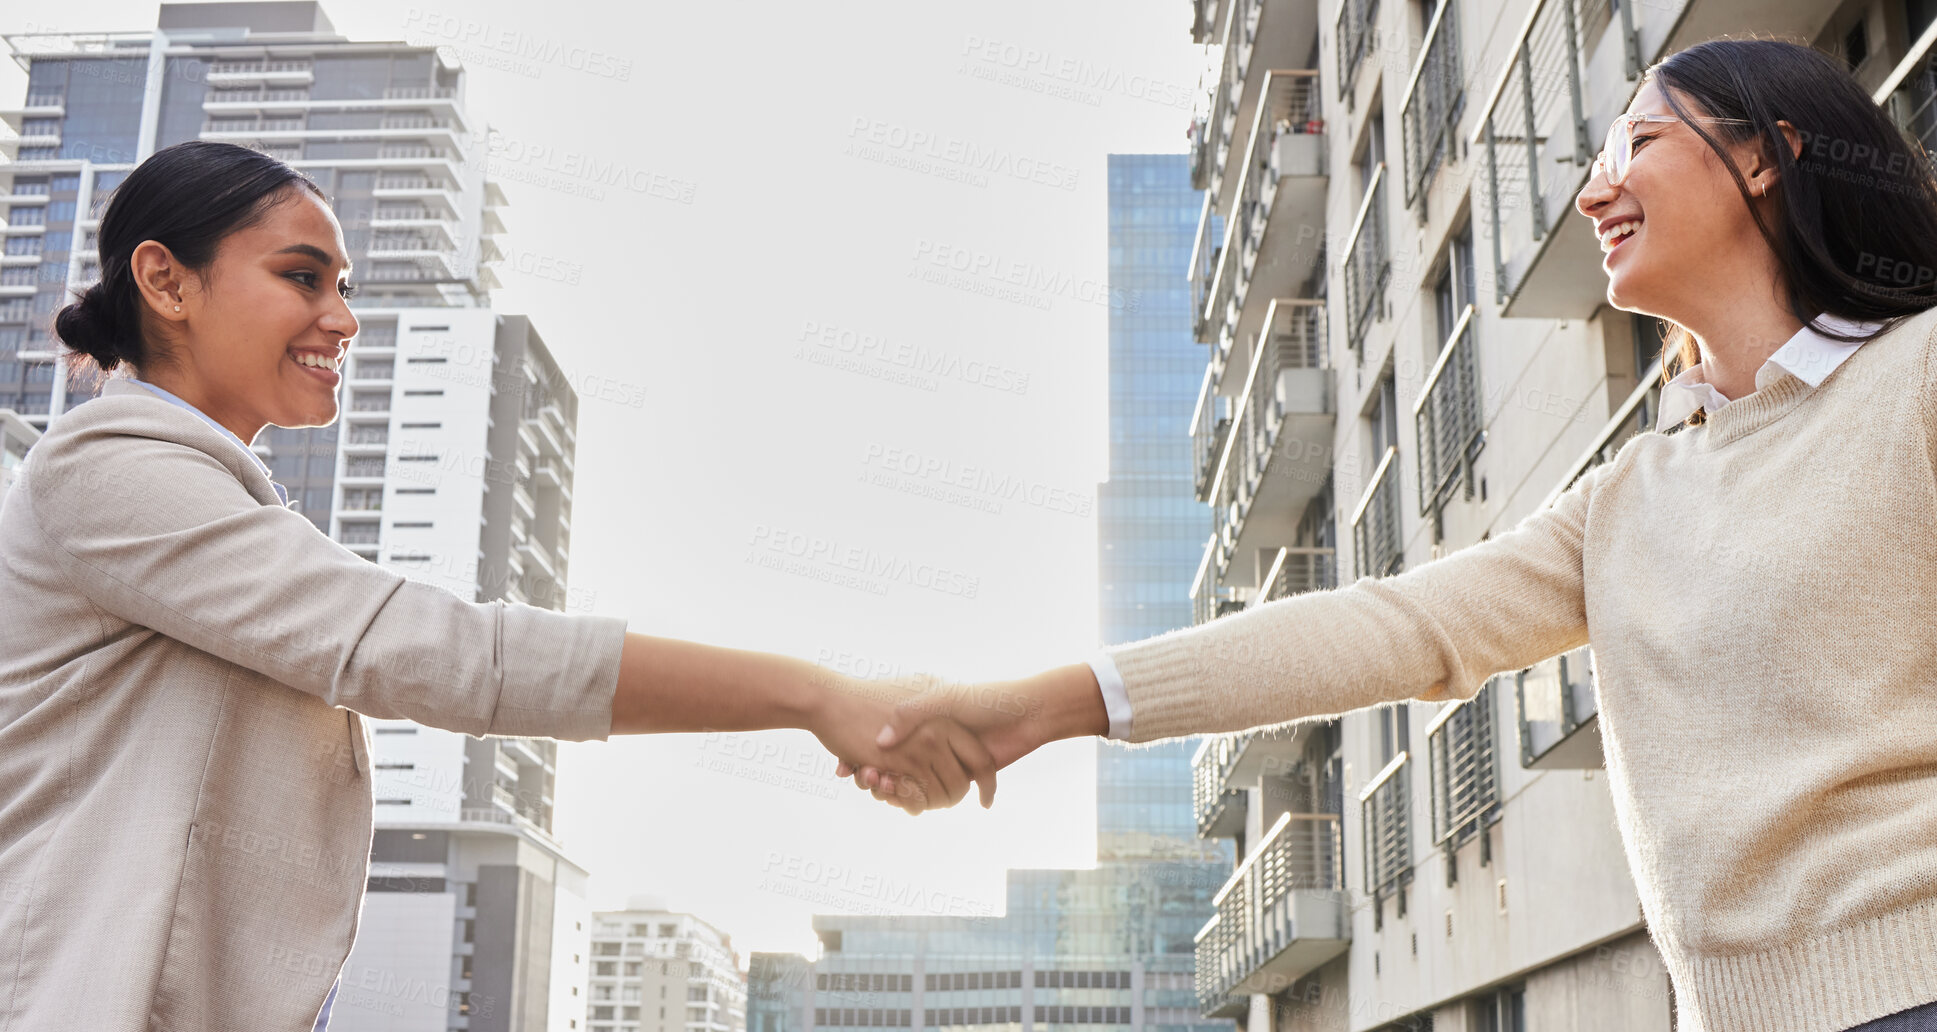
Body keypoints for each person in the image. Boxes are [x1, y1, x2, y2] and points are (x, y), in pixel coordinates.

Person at [847, 37, 1937, 1032]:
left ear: (1767, 156)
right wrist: (1034, 710)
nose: (1593, 188)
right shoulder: (1624, 500)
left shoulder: (1916, 378)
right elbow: (1391, 625)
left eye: (1638, 142)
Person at [0, 140, 993, 1031]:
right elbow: (447, 656)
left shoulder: (196, 496)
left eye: (343, 284)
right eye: (303, 277)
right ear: (167, 283)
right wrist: (811, 693)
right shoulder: (107, 475)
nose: (342, 318)